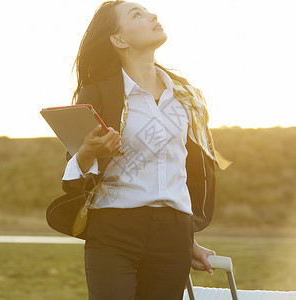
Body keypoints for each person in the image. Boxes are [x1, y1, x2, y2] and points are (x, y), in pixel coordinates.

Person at [60, 1, 232, 299]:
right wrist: (88, 152)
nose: (152, 15)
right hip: (114, 231)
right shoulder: (96, 93)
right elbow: (75, 175)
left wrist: (188, 238)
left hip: (173, 235)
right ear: (119, 39)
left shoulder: (188, 97)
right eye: (136, 14)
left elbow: (188, 170)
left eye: (148, 10)